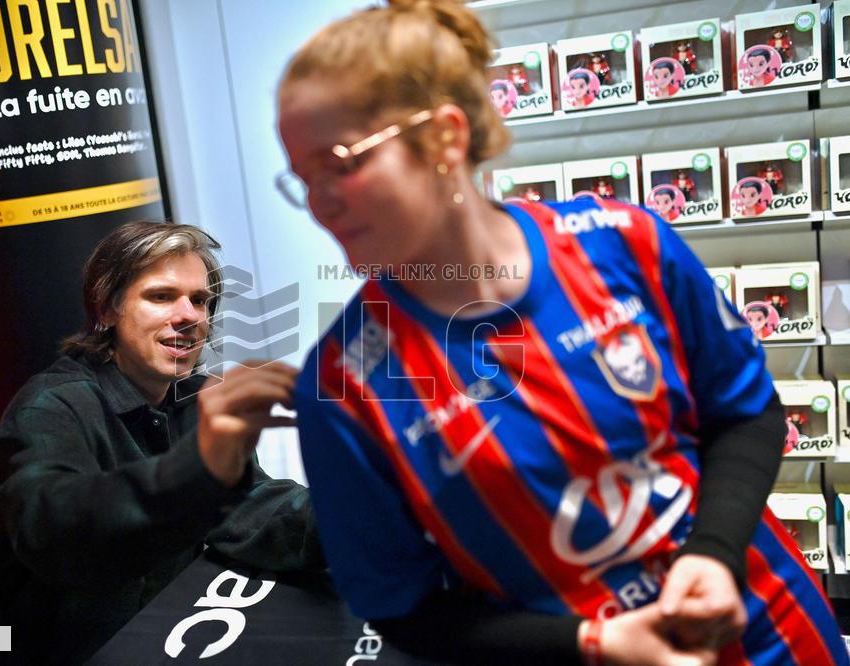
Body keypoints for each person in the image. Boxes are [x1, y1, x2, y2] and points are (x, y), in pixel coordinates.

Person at [275, 1, 847, 664]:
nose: (320, 202)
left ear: (444, 139)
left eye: (340, 163)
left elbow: (745, 414)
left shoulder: (623, 244)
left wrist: (715, 555)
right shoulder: (343, 386)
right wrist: (596, 643)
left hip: (776, 634)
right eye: (303, 178)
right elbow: (401, 607)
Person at [0, 222, 321, 664]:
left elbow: (252, 508)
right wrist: (198, 470)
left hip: (154, 634)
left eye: (200, 300)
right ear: (106, 309)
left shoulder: (195, 398)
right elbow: (64, 536)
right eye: (161, 296)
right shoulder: (49, 409)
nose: (190, 315)